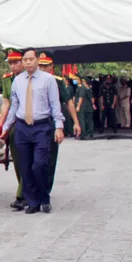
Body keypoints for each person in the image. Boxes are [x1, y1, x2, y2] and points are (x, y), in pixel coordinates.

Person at [0, 48, 65, 214]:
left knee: (40, 164)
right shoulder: (17, 81)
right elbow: (14, 105)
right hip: (22, 126)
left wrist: (59, 127)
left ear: (37, 61)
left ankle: (44, 197)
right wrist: (6, 126)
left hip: (42, 126)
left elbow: (55, 104)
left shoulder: (48, 80)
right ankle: (32, 202)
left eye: (31, 59)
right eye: (25, 59)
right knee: (25, 166)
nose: (28, 62)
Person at [37, 51, 80, 194]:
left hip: (51, 124)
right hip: (34, 125)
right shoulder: (30, 80)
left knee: (49, 159)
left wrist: (76, 122)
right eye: (40, 66)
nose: (43, 69)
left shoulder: (57, 81)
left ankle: (45, 191)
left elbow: (68, 103)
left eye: (46, 66)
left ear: (51, 66)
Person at [0, 48, 26, 210]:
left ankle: (22, 194)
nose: (13, 66)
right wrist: (2, 125)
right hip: (13, 124)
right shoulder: (7, 80)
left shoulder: (29, 78)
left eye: (16, 62)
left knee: (27, 160)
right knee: (17, 160)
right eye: (10, 63)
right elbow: (5, 103)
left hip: (28, 122)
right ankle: (23, 189)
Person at [74, 75, 96, 139]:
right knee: (87, 120)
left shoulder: (82, 88)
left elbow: (81, 97)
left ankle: (83, 133)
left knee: (82, 120)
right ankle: (88, 133)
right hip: (86, 106)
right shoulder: (83, 88)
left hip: (83, 106)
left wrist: (78, 106)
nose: (76, 81)